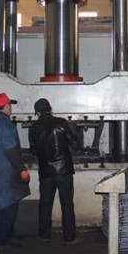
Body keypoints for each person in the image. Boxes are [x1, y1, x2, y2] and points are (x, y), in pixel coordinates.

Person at [28, 98, 82, 245]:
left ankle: (44, 235)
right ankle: (69, 238)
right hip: (63, 171)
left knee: (45, 204)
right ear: (50, 109)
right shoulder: (61, 122)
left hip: (45, 172)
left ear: (37, 113)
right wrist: (76, 148)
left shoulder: (33, 128)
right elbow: (74, 143)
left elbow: (33, 151)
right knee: (67, 204)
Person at [0, 92, 30, 249]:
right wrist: (22, 170)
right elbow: (11, 151)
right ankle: (3, 241)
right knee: (8, 208)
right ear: (7, 107)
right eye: (10, 105)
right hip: (6, 173)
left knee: (4, 206)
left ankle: (8, 235)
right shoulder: (5, 124)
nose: (11, 108)